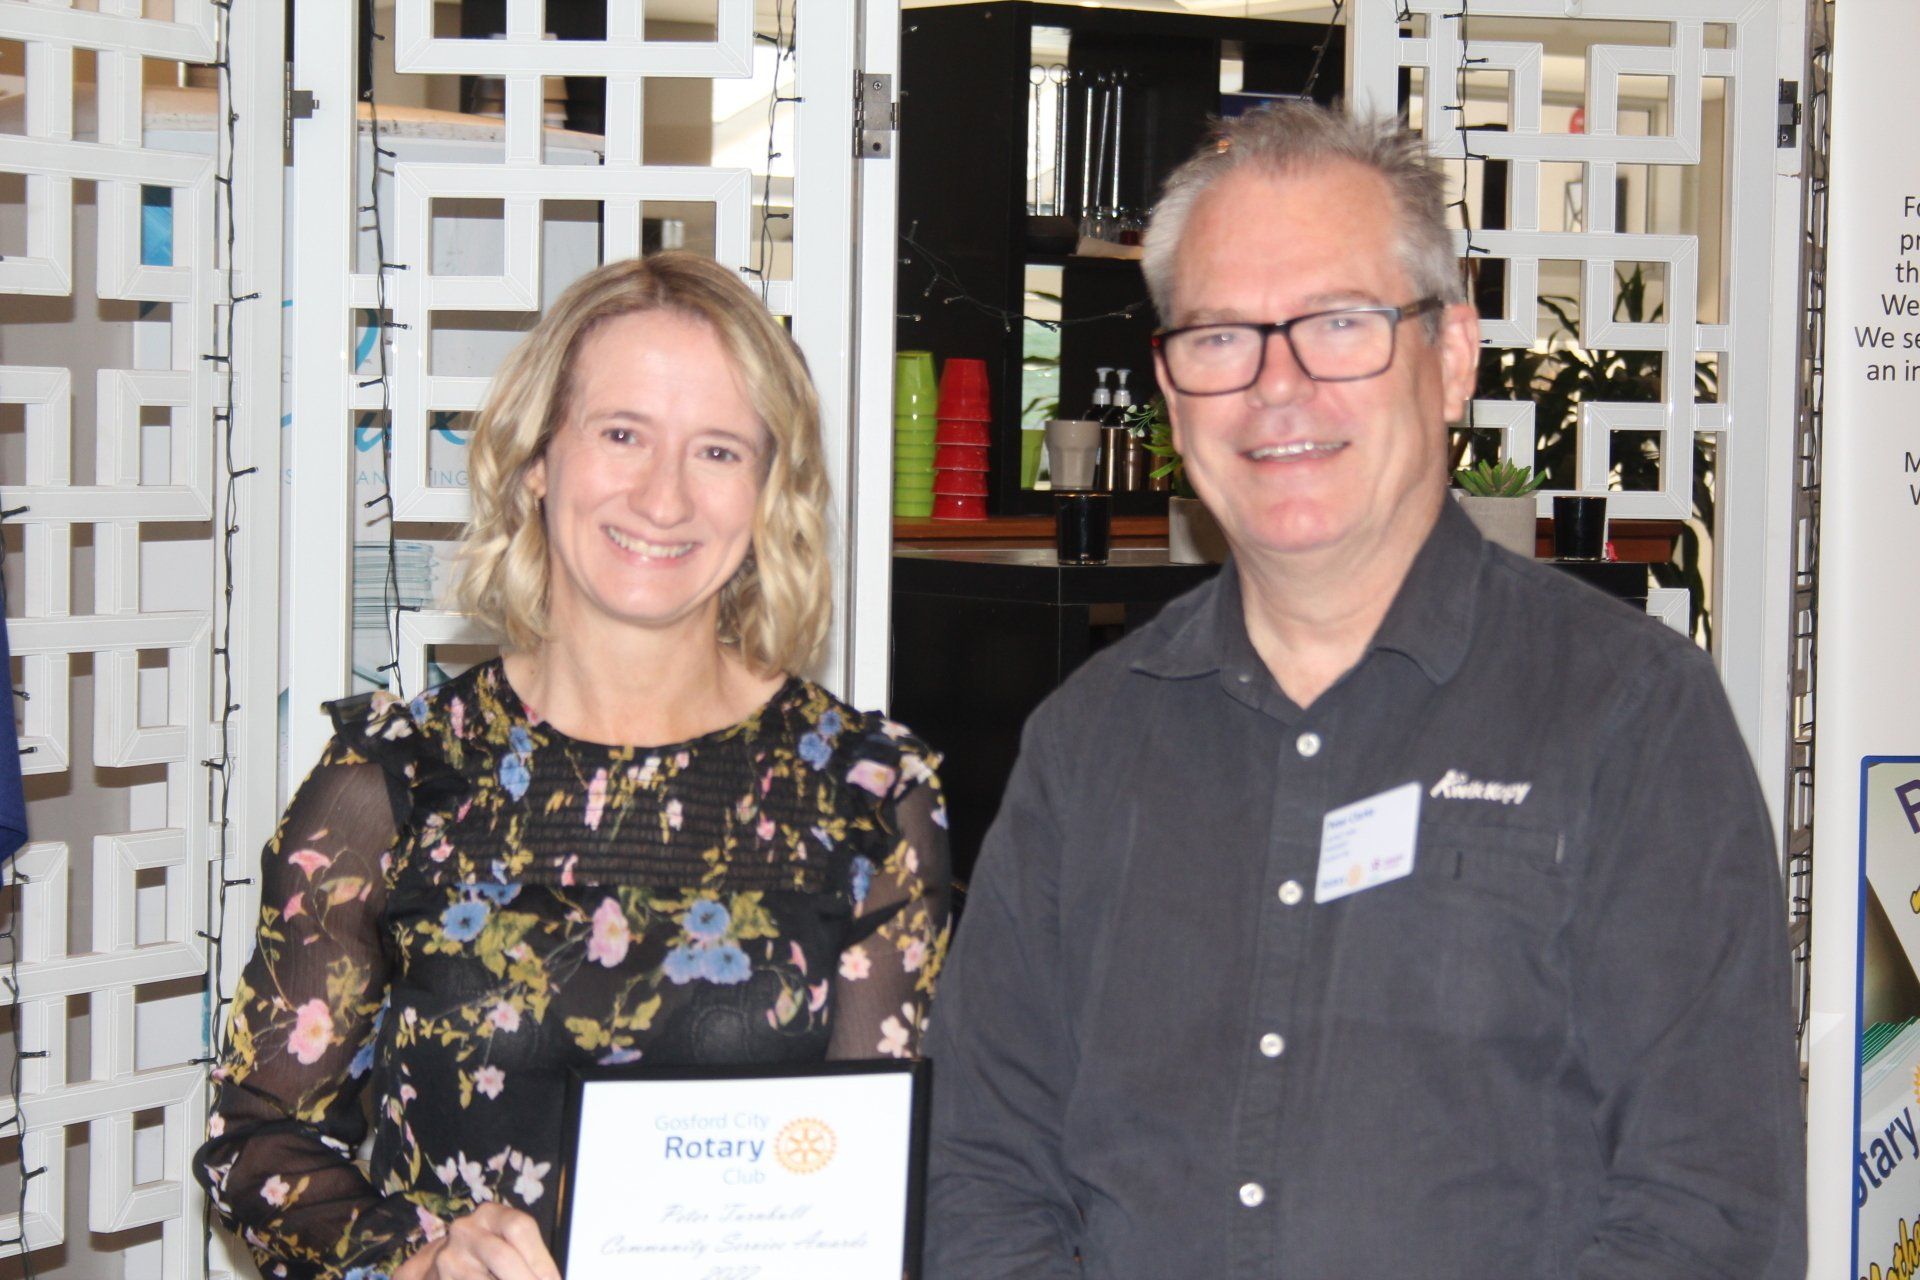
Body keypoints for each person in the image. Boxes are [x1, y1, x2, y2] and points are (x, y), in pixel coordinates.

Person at [924, 102, 1805, 1278]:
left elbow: (1711, 1207)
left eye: (1340, 323)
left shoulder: (1631, 713)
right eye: (1223, 336)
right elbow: (982, 1171)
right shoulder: (1089, 743)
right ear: (1172, 390)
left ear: (1452, 357)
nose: (1278, 387)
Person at [195, 253, 950, 1280]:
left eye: (718, 449)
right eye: (622, 433)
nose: (663, 496)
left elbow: (882, 1176)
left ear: (770, 489)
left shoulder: (867, 797)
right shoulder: (395, 781)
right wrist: (411, 1259)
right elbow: (256, 1136)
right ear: (537, 457)